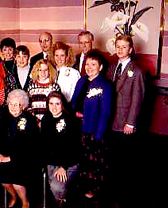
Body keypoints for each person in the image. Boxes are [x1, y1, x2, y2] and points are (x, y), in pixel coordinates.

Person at [106, 35, 145, 205]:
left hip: (125, 124)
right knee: (113, 159)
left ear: (130, 49)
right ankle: (114, 191)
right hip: (111, 121)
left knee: (126, 161)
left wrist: (131, 122)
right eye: (118, 46)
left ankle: (126, 196)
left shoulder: (136, 71)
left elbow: (138, 99)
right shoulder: (112, 67)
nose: (120, 49)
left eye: (124, 47)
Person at [71, 50, 112, 200]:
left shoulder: (105, 85)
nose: (89, 67)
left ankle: (94, 188)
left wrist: (98, 135)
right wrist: (75, 113)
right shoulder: (81, 81)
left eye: (93, 64)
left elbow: (105, 113)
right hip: (78, 128)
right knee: (82, 160)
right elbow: (74, 101)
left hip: (94, 131)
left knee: (94, 162)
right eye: (87, 64)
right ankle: (82, 185)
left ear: (100, 67)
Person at [0, 89, 39, 208]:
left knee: (16, 182)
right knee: (0, 175)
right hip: (4, 157)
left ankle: (25, 201)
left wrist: (7, 158)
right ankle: (14, 196)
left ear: (24, 106)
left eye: (17, 105)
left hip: (24, 159)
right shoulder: (2, 116)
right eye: (11, 104)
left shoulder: (30, 120)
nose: (14, 107)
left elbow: (30, 148)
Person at [41, 91, 81, 208]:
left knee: (56, 187)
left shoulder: (71, 121)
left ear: (62, 104)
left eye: (57, 104)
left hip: (69, 161)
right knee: (53, 186)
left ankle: (62, 201)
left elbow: (75, 147)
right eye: (51, 103)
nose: (54, 107)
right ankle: (62, 199)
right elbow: (44, 144)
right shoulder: (45, 119)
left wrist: (64, 166)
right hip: (52, 161)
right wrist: (45, 163)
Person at [27, 59, 60, 124]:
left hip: (50, 120)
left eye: (45, 70)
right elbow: (29, 105)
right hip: (35, 121)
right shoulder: (31, 86)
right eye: (40, 70)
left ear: (49, 71)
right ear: (37, 71)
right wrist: (35, 120)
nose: (43, 73)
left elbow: (57, 106)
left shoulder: (54, 87)